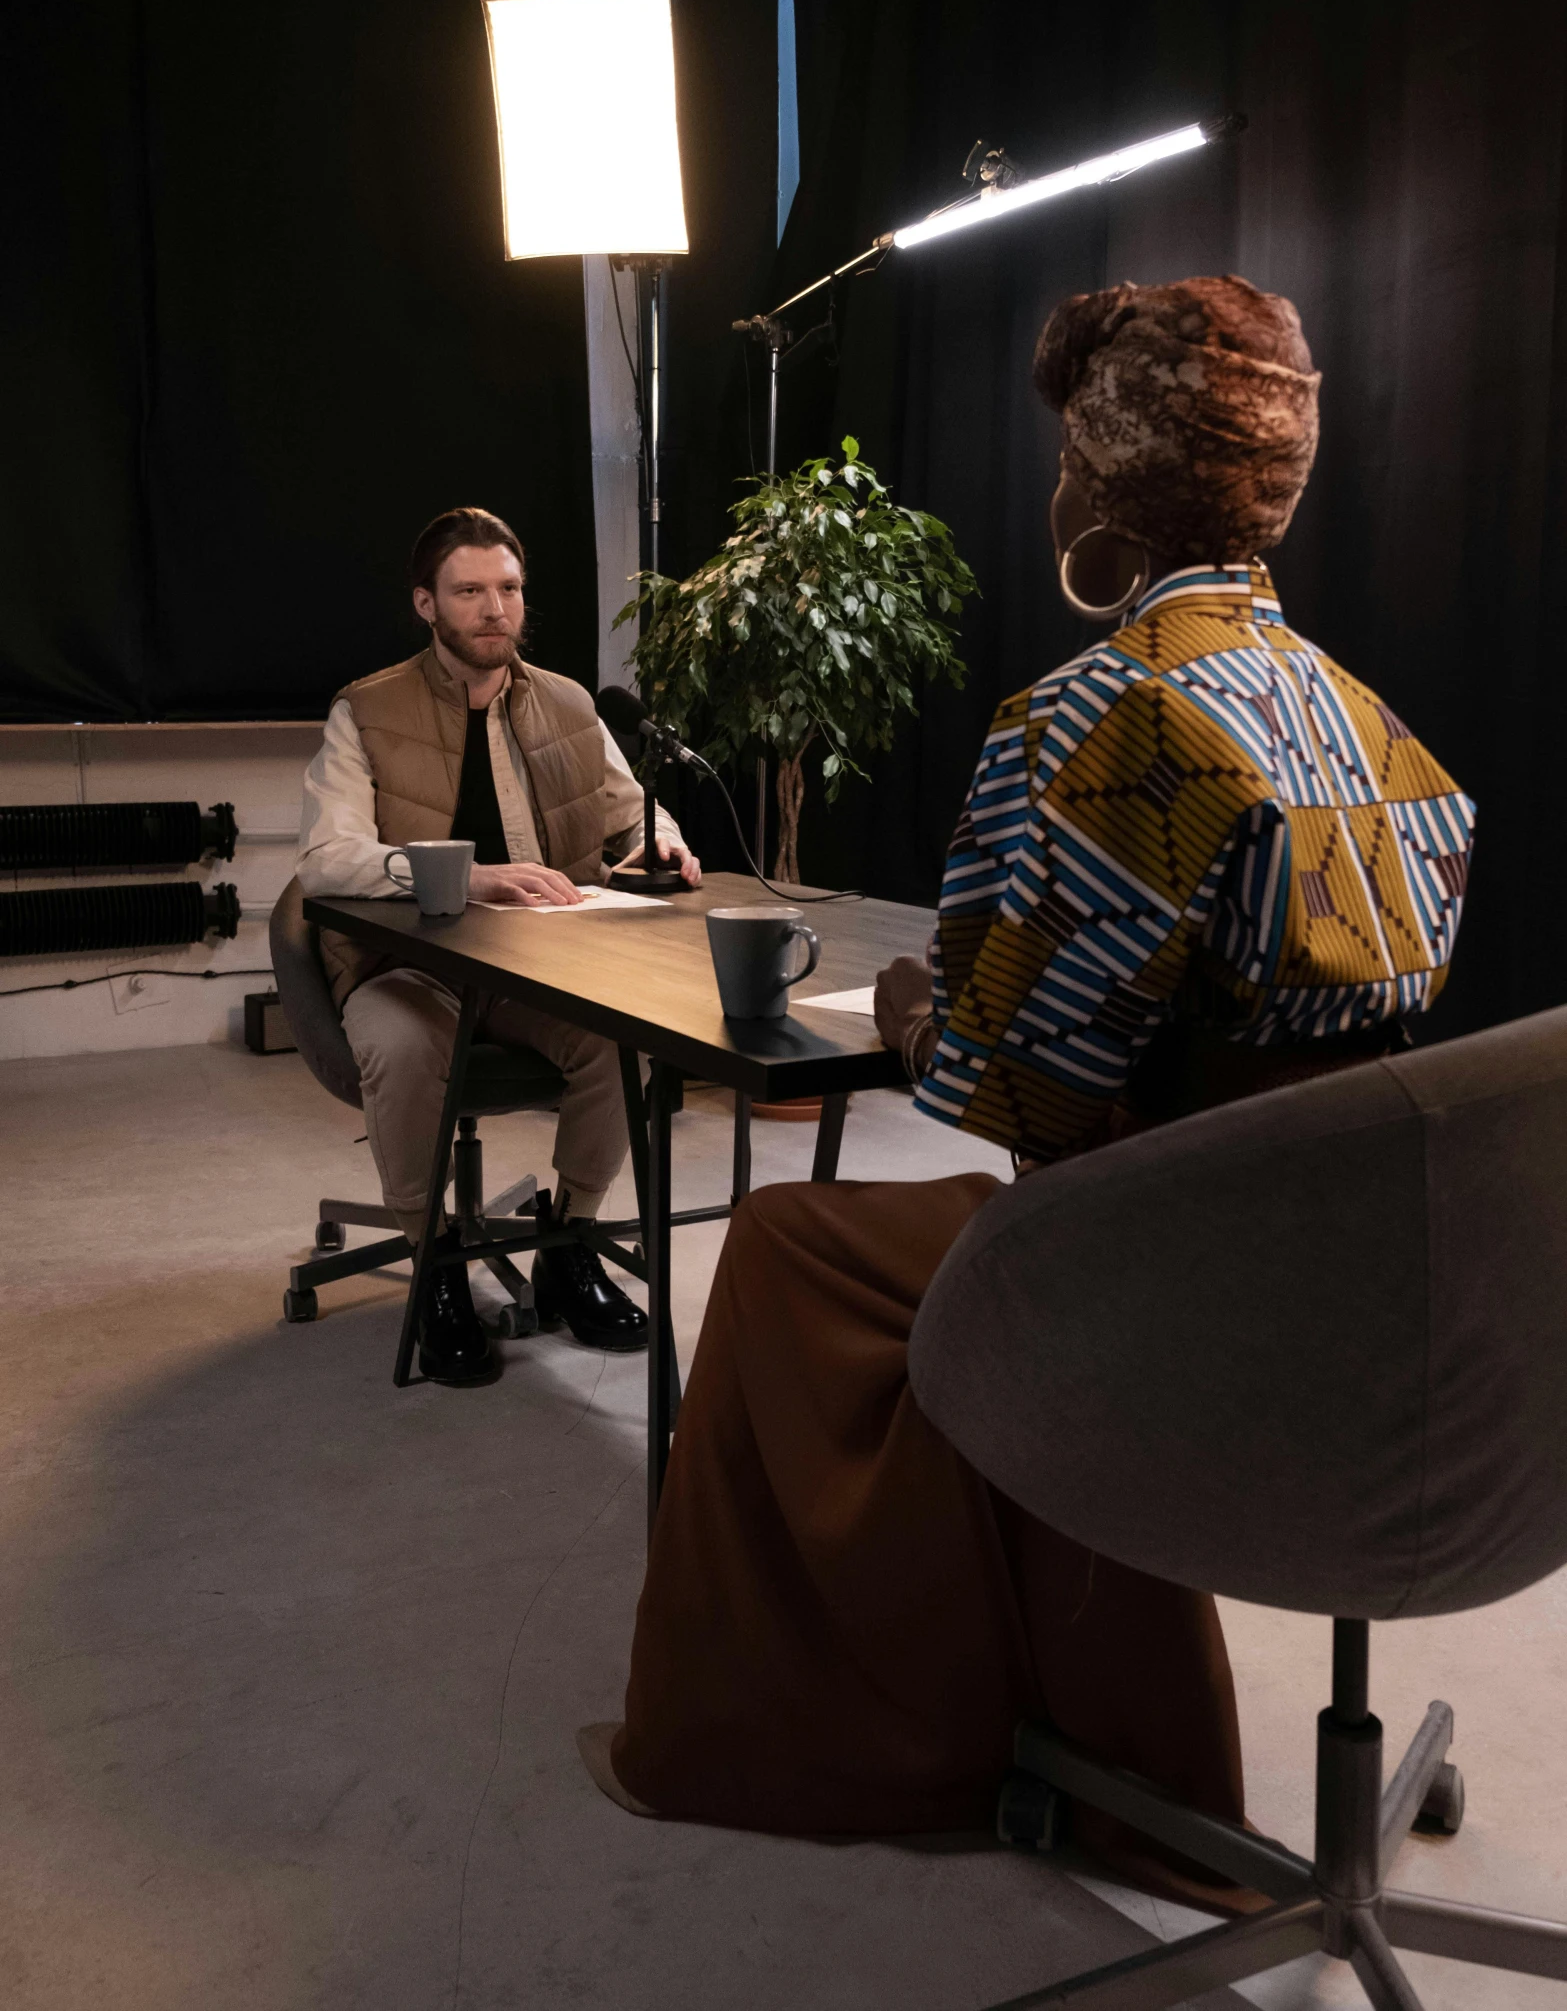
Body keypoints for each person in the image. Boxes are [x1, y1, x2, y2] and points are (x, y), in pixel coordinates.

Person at [577, 277, 1476, 1903]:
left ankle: (819, 1732)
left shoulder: (1094, 720)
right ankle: (1078, 1700)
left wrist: (927, 1007)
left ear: (1103, 481)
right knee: (983, 1245)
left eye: (1071, 448)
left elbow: (1023, 1102)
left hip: (1174, 1301)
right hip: (1388, 1316)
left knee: (791, 1247)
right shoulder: (1392, 740)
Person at [295, 505, 701, 1390]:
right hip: (407, 965)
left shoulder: (566, 703)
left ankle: (568, 1237)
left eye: (508, 589)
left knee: (624, 1033)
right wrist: (466, 876)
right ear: (426, 604)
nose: (493, 608)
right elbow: (327, 862)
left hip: (539, 963)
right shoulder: (365, 708)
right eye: (469, 591)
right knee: (402, 1048)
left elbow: (635, 810)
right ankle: (434, 1256)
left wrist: (663, 839)